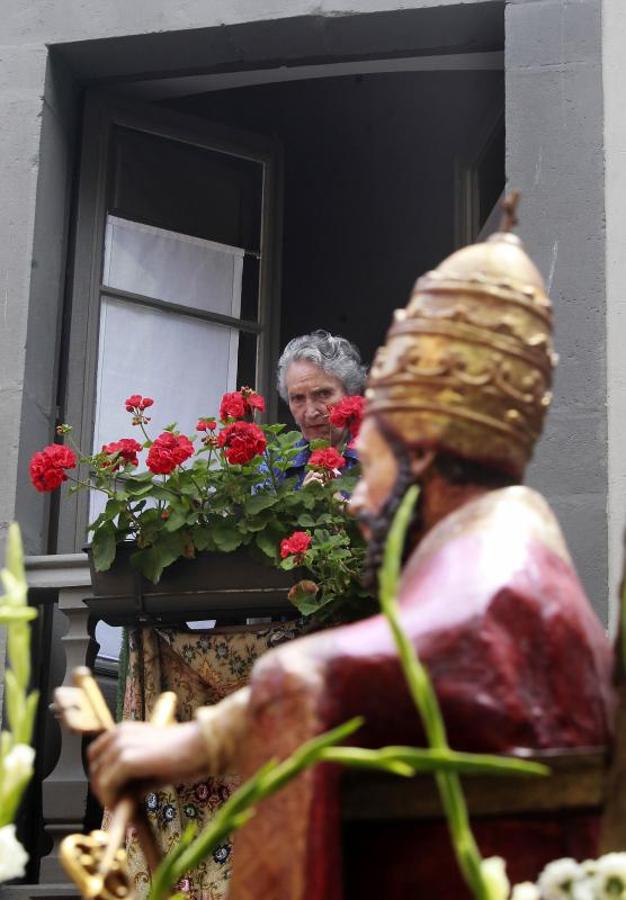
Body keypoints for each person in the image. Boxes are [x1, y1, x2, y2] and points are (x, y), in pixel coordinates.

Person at [88, 209, 614, 898]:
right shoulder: (496, 540)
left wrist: (193, 743)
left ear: (420, 454)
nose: (359, 501)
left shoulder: (501, 556)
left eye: (369, 471)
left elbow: (396, 655)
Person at [276, 330, 365, 485]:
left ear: (350, 393)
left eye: (323, 394)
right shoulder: (276, 468)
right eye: (297, 398)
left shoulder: (383, 460)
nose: (311, 412)